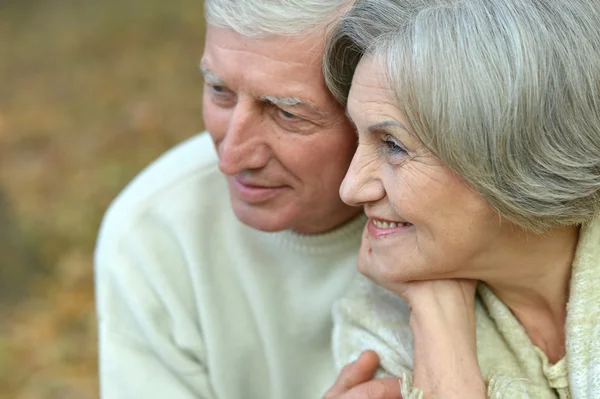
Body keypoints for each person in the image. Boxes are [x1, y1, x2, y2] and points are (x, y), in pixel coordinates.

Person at [94, 0, 404, 398]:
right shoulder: (153, 233)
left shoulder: (468, 215)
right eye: (219, 91)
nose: (231, 157)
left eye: (287, 114)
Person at [323, 0, 600, 398]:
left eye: (393, 146)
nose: (350, 189)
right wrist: (438, 325)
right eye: (359, 137)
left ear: (517, 155)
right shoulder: (379, 323)